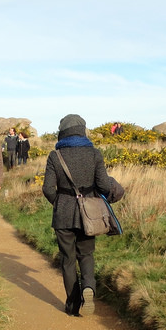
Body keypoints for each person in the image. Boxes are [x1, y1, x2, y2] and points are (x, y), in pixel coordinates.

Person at [41, 114, 125, 316]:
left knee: (68, 260)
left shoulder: (55, 156)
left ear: (62, 132)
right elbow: (104, 185)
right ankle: (89, 287)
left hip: (63, 214)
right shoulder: (94, 154)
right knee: (86, 255)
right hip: (90, 213)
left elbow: (47, 188)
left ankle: (72, 305)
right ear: (82, 130)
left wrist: (59, 203)